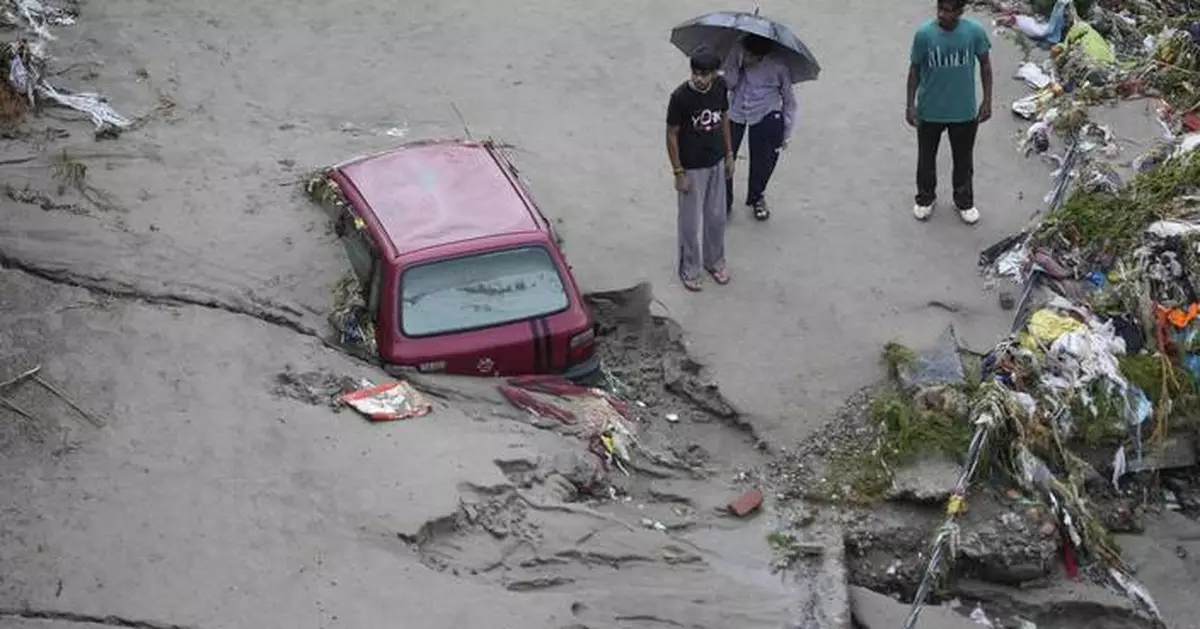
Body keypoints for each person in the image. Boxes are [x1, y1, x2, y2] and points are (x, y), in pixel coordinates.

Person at [906, 0, 993, 225]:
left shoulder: (974, 32)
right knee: (926, 158)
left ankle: (964, 201)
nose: (944, 15)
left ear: (960, 11)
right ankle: (925, 198)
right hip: (930, 110)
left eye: (949, 10)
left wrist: (987, 101)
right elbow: (914, 69)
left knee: (963, 160)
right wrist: (910, 105)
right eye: (941, 9)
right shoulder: (924, 35)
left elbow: (985, 65)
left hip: (963, 111)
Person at [666, 52, 734, 292]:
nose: (699, 79)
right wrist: (678, 172)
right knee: (690, 223)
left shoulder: (721, 87)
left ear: (715, 73)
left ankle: (714, 261)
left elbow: (725, 118)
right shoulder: (680, 97)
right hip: (692, 168)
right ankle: (690, 269)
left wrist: (729, 155)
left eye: (704, 74)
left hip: (716, 161)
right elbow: (671, 134)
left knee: (716, 218)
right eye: (695, 73)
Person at [722, 34, 797, 221]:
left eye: (754, 57)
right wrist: (737, 67)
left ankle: (757, 196)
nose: (749, 59)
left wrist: (786, 131)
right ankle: (724, 200)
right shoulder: (736, 52)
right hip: (736, 109)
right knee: (723, 154)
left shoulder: (778, 66)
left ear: (763, 56)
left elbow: (789, 101)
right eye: (747, 54)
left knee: (764, 159)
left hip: (765, 112)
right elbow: (729, 84)